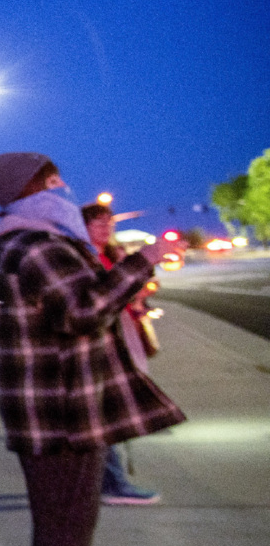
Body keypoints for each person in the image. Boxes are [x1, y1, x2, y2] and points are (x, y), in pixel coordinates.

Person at [0, 152, 185, 546]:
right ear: (32, 189)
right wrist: (145, 259)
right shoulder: (35, 243)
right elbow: (84, 311)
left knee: (68, 525)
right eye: (53, 180)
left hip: (61, 410)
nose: (64, 188)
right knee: (64, 529)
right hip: (61, 415)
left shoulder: (29, 240)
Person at [82, 201, 162, 505]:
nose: (106, 227)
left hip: (121, 330)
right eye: (98, 223)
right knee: (105, 414)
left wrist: (140, 297)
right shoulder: (85, 258)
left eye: (109, 222)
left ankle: (110, 482)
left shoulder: (110, 254)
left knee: (107, 412)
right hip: (104, 337)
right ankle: (113, 484)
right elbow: (98, 300)